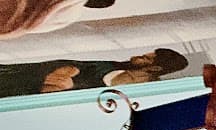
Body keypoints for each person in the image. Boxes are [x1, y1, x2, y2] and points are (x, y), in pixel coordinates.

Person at [0, 48, 187, 97]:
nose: (138, 56)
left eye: (145, 58)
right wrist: (70, 68)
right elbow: (85, 65)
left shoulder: (141, 88)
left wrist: (69, 85)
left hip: (55, 94)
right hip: (44, 75)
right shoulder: (118, 65)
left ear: (154, 68)